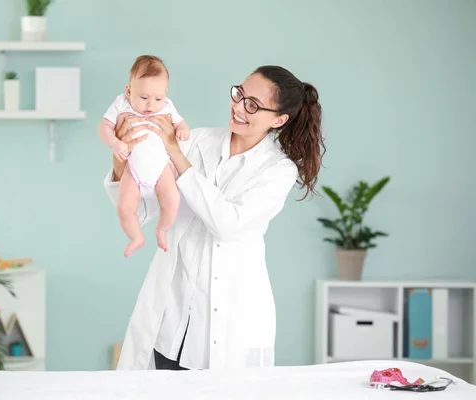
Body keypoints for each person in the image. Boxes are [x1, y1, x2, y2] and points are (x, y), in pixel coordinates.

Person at [103, 64, 325, 370]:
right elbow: (143, 210)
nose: (238, 107)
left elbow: (228, 224)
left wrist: (177, 156)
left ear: (279, 119)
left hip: (225, 325)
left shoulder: (278, 170)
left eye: (253, 105)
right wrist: (120, 160)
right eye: (239, 95)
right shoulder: (196, 140)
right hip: (170, 321)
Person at [99, 55, 191, 258]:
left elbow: (180, 123)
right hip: (132, 170)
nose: (151, 104)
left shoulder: (167, 106)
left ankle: (162, 229)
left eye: (158, 98)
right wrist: (115, 143)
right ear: (129, 90)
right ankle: (136, 237)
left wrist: (183, 130)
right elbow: (104, 126)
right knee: (124, 207)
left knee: (172, 200)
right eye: (143, 97)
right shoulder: (121, 105)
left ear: (165, 94)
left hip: (161, 168)